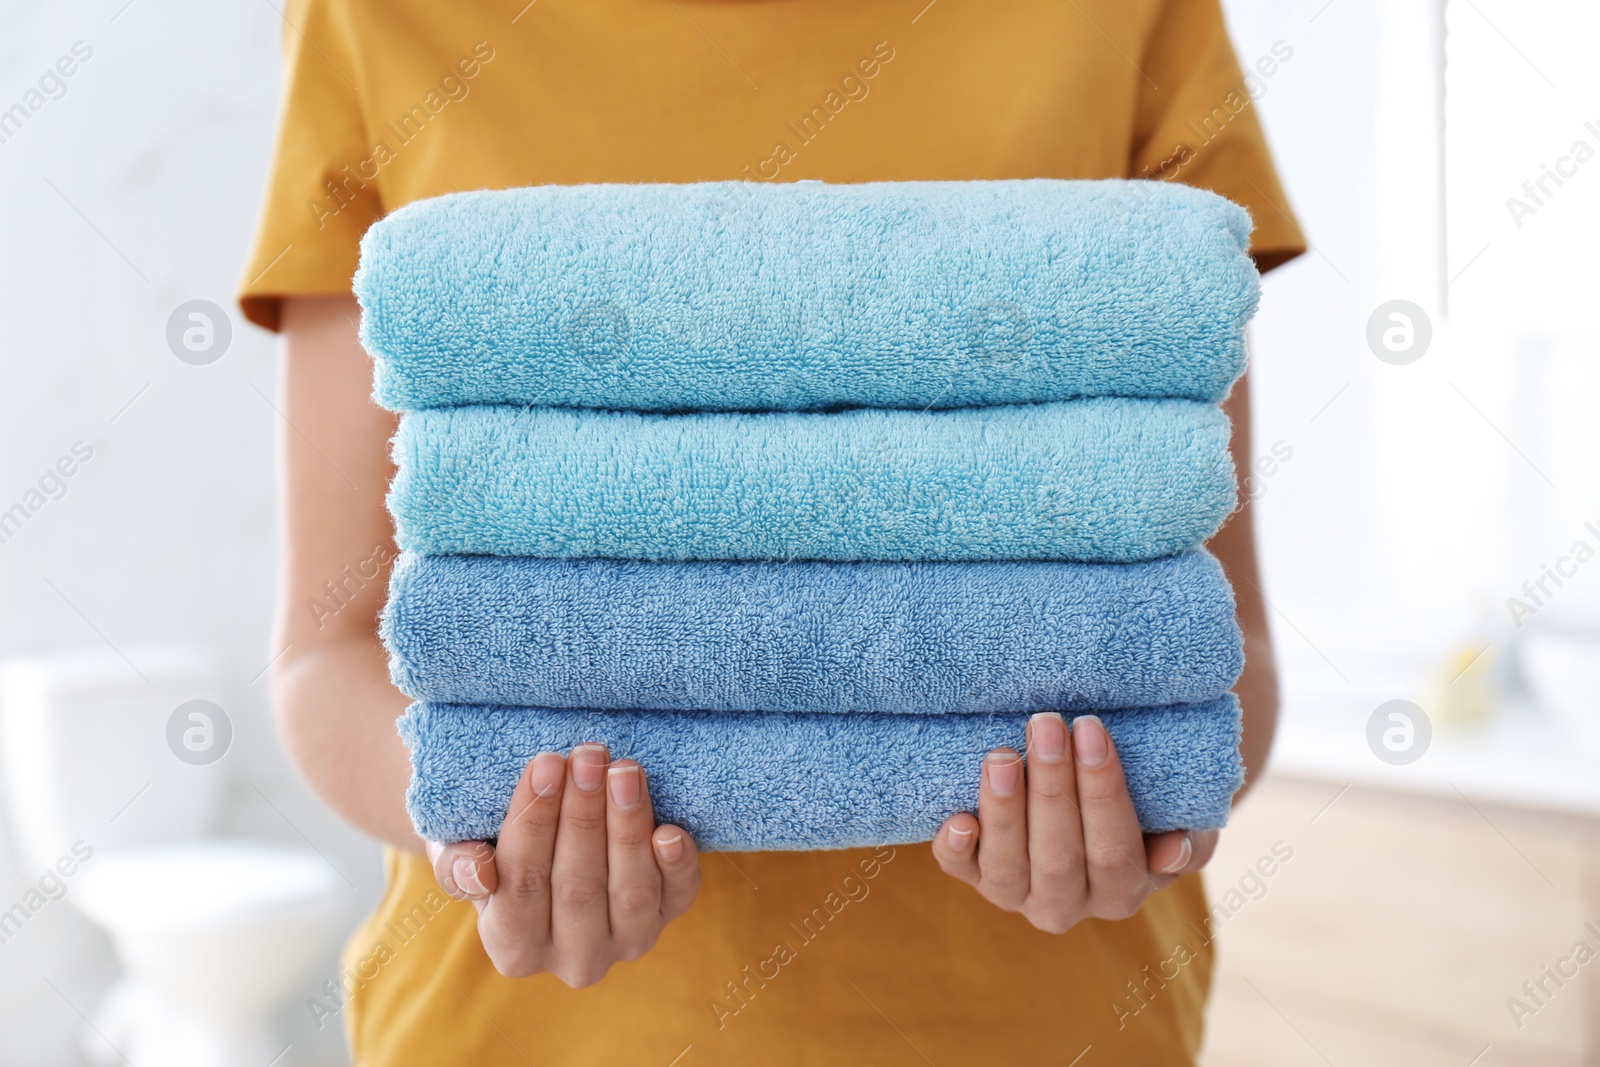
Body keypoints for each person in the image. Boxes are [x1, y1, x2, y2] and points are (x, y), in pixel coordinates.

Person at [240, 1, 1304, 1062]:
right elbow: (328, 645)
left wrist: (1145, 812)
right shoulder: (371, 14)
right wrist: (482, 836)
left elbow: (1213, 644)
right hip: (524, 1033)